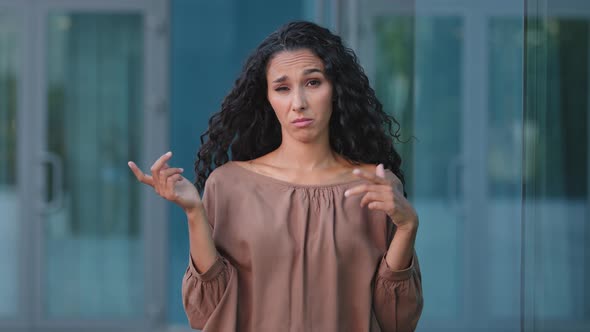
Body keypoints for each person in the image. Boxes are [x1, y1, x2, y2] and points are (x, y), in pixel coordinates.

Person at [128, 21, 423, 332]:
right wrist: (193, 213)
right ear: (266, 98)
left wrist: (407, 227)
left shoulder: (375, 185)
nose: (298, 103)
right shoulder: (230, 185)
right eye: (282, 88)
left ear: (336, 89)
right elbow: (205, 314)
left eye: (313, 83)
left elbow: (397, 321)